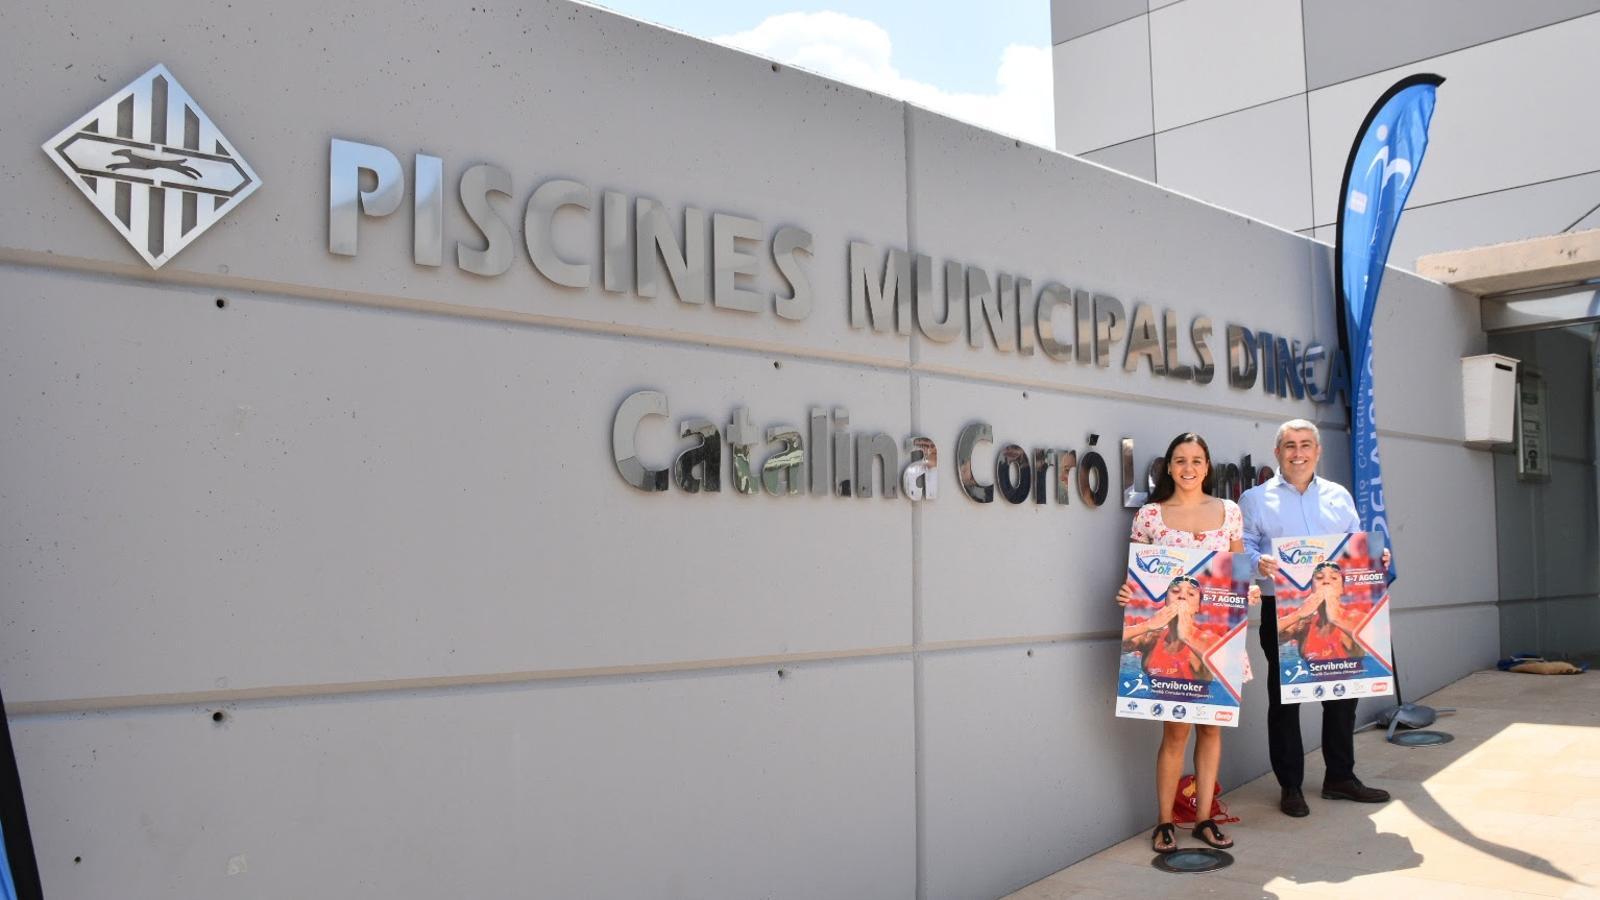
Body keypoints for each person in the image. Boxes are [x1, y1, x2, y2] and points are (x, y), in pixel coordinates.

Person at [1116, 432, 1259, 853]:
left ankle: (1204, 818)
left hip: (1217, 640)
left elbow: (1237, 570)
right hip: (1170, 647)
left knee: (1212, 732)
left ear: (1207, 466)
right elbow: (1137, 581)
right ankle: (1164, 821)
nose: (1189, 468)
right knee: (1175, 734)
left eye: (1196, 460)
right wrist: (1127, 593)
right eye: (1180, 460)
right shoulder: (1149, 517)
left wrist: (1245, 590)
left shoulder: (1230, 512)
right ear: (1169, 466)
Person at [1241, 419, 1391, 818]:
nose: (1298, 453)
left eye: (1306, 445)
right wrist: (1260, 562)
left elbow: (1355, 543)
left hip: (1337, 607)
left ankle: (1340, 777)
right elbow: (1243, 548)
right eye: (1289, 445)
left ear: (1317, 451)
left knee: (1342, 694)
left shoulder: (1339, 495)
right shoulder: (1255, 499)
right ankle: (1291, 785)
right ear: (1277, 453)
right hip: (1283, 609)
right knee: (1286, 699)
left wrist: (1374, 559)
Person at [1278, 562, 1364, 663]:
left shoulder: (1355, 619)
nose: (1326, 581)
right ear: (1312, 588)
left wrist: (1337, 619)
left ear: (1342, 589)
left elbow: (1377, 643)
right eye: (1319, 577)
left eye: (1334, 578)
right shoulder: (1304, 626)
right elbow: (1267, 637)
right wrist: (1298, 614)